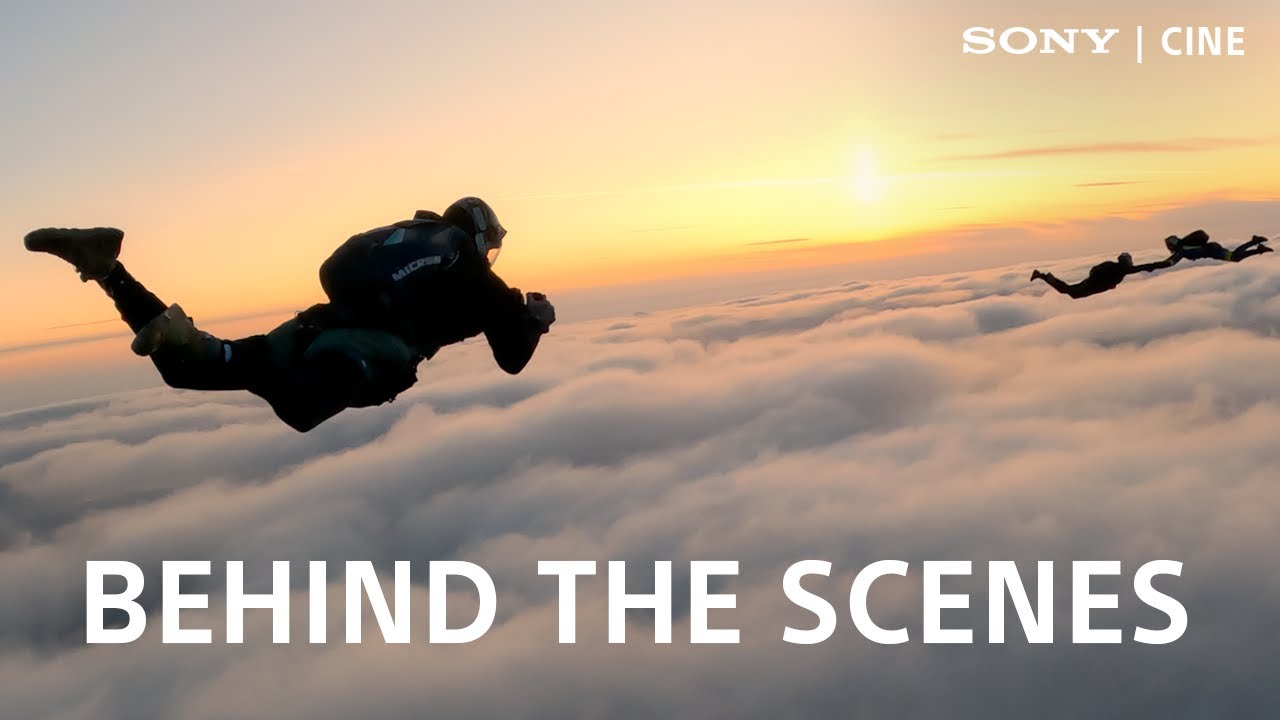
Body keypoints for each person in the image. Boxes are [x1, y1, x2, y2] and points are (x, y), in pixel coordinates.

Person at [24, 198, 556, 432]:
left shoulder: (411, 238)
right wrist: (535, 318)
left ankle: (108, 269)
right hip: (354, 351)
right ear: (480, 237)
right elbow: (512, 359)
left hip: (315, 325)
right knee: (302, 406)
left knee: (191, 366)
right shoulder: (469, 268)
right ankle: (123, 284)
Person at [1029, 252, 1176, 299]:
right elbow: (1148, 266)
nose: (1131, 264)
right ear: (1126, 262)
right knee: (1069, 292)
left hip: (1092, 283)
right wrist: (1167, 263)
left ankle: (1043, 276)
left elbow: (1094, 269)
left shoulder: (1112, 265)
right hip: (1093, 285)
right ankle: (1043, 276)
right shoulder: (1122, 269)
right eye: (1130, 261)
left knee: (1069, 291)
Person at [1163, 229, 1273, 263]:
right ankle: (1258, 249)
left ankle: (1254, 242)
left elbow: (1168, 263)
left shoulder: (1182, 250)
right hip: (1212, 249)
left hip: (1212, 250)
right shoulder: (1184, 246)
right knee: (1236, 258)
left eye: (1169, 246)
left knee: (1234, 256)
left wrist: (1152, 266)